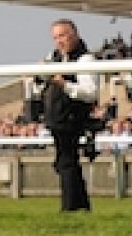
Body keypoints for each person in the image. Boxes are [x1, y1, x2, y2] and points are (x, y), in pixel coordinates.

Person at [39, 19, 101, 212]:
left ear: (74, 34)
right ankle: (81, 205)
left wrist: (65, 85)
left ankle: (70, 207)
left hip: (73, 118)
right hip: (57, 118)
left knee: (66, 163)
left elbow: (91, 92)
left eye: (63, 36)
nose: (59, 41)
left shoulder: (85, 60)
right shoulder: (53, 57)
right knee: (65, 163)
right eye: (55, 37)